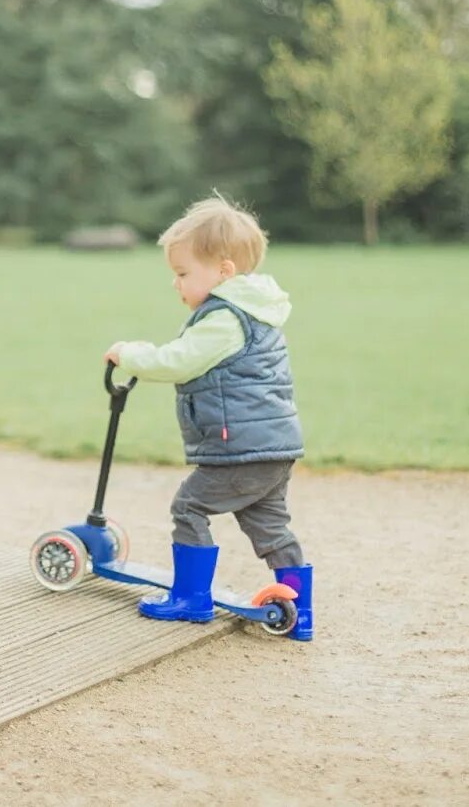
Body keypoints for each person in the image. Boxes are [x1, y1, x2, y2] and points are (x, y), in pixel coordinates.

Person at [105, 196, 313, 640]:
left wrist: (131, 354)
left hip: (237, 448)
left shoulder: (225, 318)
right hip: (272, 447)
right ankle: (301, 608)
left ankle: (190, 598)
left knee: (190, 507)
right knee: (270, 526)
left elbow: (178, 361)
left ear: (223, 271)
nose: (176, 284)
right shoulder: (257, 312)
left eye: (182, 274)